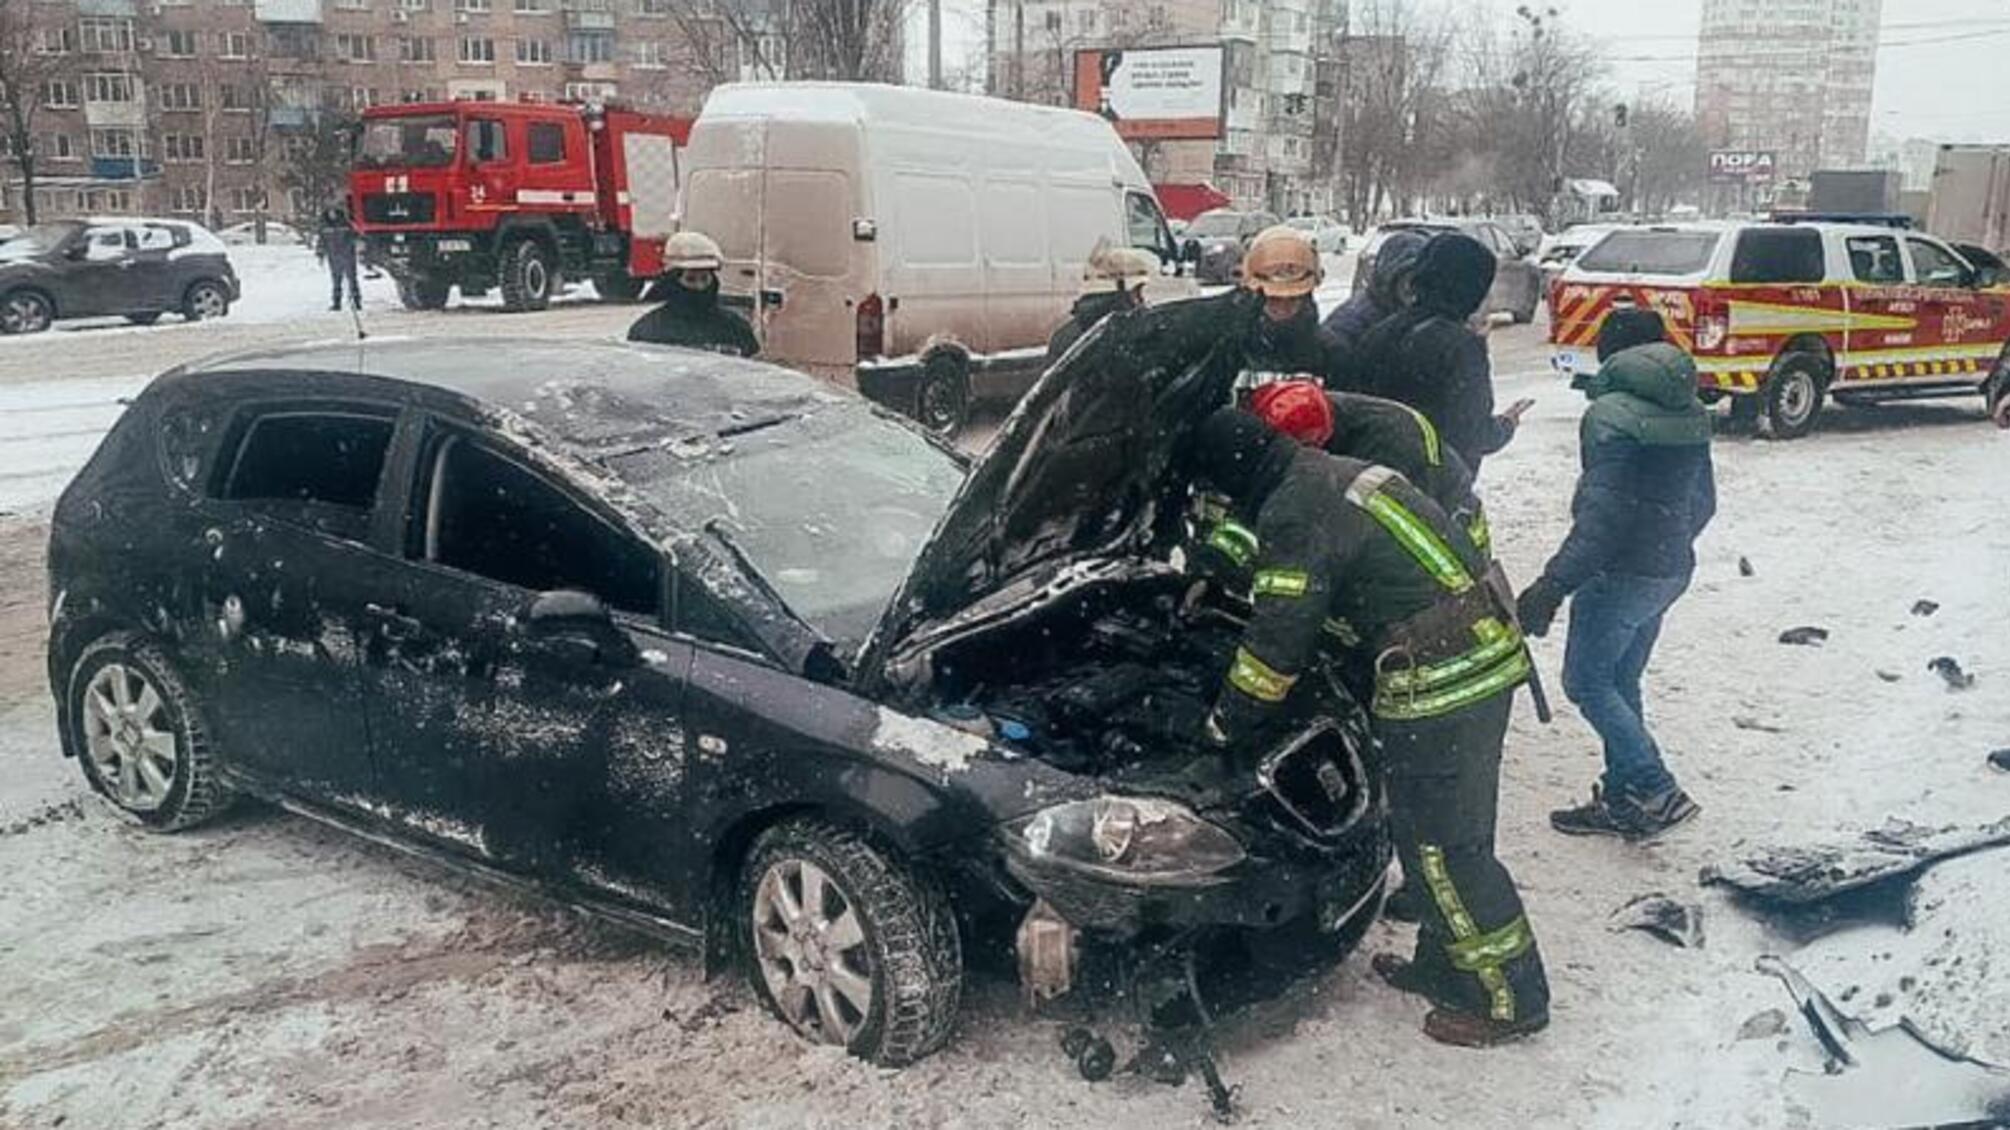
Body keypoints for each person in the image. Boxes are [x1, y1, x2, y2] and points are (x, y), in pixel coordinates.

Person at [1188, 406, 1549, 1047]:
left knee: (1447, 847)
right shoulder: (1331, 473)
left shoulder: (1295, 510)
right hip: (1476, 654)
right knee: (1431, 836)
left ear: (1235, 472)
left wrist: (1222, 727)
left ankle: (1509, 998)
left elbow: (1275, 654)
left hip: (1445, 681)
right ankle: (1445, 965)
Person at [1515, 308, 1714, 840]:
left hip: (1621, 575)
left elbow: (1603, 518)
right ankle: (1628, 796)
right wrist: (1665, 545)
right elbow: (1703, 503)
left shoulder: (1611, 417)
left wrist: (1552, 585)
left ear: (1610, 353)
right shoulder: (1690, 409)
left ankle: (1653, 787)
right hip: (1669, 570)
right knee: (1621, 679)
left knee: (1586, 681)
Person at [1351, 232, 1531, 473]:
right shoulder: (1462, 348)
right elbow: (1473, 432)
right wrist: (1506, 424)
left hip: (1378, 475)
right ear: (1469, 288)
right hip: (1437, 483)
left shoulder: (1379, 332)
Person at [1248, 378, 1490, 557]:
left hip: (1448, 524)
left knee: (1457, 604)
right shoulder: (1316, 412)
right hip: (1423, 511)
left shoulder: (1390, 442)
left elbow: (1378, 520)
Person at [1323, 228, 1428, 389]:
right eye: (1406, 279)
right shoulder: (1353, 321)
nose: (1412, 288)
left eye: (1420, 280)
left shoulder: (1420, 316)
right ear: (1388, 277)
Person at [626, 230, 759, 357]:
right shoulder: (648, 331)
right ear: (673, 282)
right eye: (691, 279)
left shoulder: (735, 328)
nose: (699, 286)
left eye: (704, 279)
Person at [1237, 226, 1341, 385]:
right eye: (1273, 299)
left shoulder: (1330, 352)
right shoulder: (1229, 349)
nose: (1283, 308)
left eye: (1293, 299)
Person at [1048, 243, 1158, 360]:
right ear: (1121, 293)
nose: (1142, 301)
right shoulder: (1130, 336)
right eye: (1138, 292)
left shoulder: (1063, 335)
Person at [318, 205, 361, 313]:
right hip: (333, 257)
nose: (332, 215)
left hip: (348, 256)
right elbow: (322, 241)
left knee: (352, 279)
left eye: (334, 212)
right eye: (330, 213)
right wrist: (320, 253)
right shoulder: (324, 227)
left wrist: (350, 248)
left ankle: (357, 301)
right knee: (336, 280)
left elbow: (354, 237)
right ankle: (337, 303)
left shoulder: (346, 225)